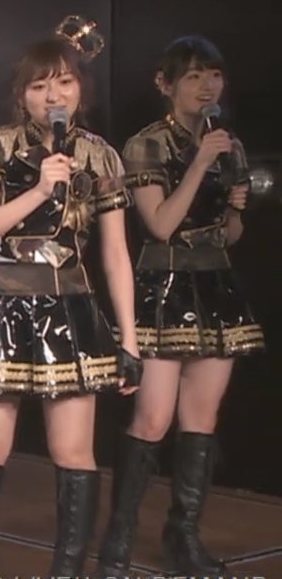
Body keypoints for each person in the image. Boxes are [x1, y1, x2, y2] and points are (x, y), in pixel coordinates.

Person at [0, 23, 141, 578]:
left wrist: (129, 339)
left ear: (81, 89)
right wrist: (38, 189)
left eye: (64, 82)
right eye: (39, 86)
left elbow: (116, 255)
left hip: (71, 310)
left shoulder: (100, 155)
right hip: (3, 306)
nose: (54, 95)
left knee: (75, 455)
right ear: (21, 94)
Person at [97, 35, 265, 578]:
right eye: (193, 76)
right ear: (165, 84)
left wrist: (234, 209)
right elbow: (161, 224)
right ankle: (119, 537)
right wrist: (201, 164)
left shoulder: (228, 145)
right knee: (153, 418)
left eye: (214, 75)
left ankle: (184, 535)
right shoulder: (147, 145)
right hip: (163, 288)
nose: (207, 86)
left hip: (215, 285)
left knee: (202, 420)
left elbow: (229, 235)